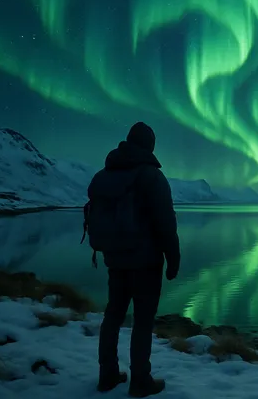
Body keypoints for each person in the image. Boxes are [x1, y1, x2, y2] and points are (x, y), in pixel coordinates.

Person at [86, 122, 180, 397]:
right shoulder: (151, 177)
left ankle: (107, 374)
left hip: (114, 258)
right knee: (142, 321)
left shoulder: (105, 174)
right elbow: (165, 222)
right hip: (146, 262)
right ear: (149, 145)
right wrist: (173, 258)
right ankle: (140, 380)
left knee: (113, 315)